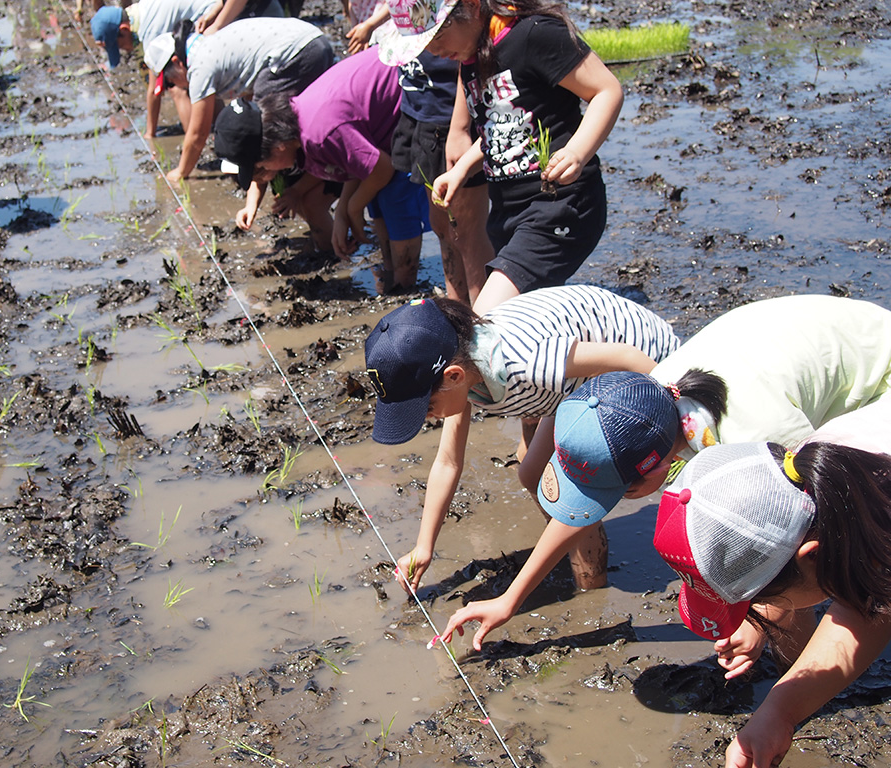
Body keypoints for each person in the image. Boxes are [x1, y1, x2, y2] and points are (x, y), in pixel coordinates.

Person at [439, 293, 891, 651]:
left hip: (876, 376)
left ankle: (802, 675)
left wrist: (760, 619)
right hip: (800, 342)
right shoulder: (642, 401)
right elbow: (571, 517)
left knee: (829, 551)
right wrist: (508, 599)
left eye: (609, 492)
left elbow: (795, 539)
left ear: (654, 474)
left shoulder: (754, 441)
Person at [365, 286, 680, 593]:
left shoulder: (528, 364)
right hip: (579, 384)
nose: (425, 419)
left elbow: (627, 355)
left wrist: (669, 426)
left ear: (453, 376)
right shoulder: (464, 360)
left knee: (578, 480)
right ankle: (569, 550)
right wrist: (424, 546)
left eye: (426, 408)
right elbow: (448, 462)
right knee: (532, 473)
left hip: (648, 367)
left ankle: (591, 585)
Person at [653, 400, 891, 768]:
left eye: (758, 602)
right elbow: (870, 603)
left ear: (812, 554)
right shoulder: (808, 474)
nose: (757, 613)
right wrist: (778, 713)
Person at [376, 0, 623, 314]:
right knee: (528, 315)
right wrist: (461, 168)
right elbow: (501, 128)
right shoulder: (471, 54)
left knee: (486, 318)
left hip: (559, 206)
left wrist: (577, 151)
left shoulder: (533, 35)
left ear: (473, 7)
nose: (434, 52)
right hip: (508, 214)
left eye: (437, 39)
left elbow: (607, 90)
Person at [214, 47, 431, 287]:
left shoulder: (319, 135)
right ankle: (391, 274)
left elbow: (382, 168)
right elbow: (356, 164)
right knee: (378, 200)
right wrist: (341, 213)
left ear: (277, 148)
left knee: (394, 197)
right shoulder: (298, 125)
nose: (266, 174)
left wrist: (354, 207)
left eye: (262, 166)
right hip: (384, 125)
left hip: (415, 90)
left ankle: (403, 285)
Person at [144, 17, 334, 186]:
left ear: (177, 62)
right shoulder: (206, 44)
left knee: (262, 131)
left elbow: (198, 134)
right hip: (313, 39)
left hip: (293, 52)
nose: (173, 86)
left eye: (169, 82)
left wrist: (181, 172)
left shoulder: (199, 68)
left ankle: (281, 179)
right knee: (307, 116)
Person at [393, 50, 493, 303]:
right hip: (418, 107)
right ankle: (457, 307)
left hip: (451, 115)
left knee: (466, 231)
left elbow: (471, 54)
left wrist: (460, 127)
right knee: (441, 225)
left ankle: (483, 317)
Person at [90, 0, 217, 138]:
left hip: (214, 17)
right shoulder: (142, 11)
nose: (125, 50)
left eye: (120, 46)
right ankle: (214, 126)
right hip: (216, 8)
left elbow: (154, 90)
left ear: (124, 30)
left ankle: (197, 139)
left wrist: (150, 134)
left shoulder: (151, 31)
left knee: (176, 84)